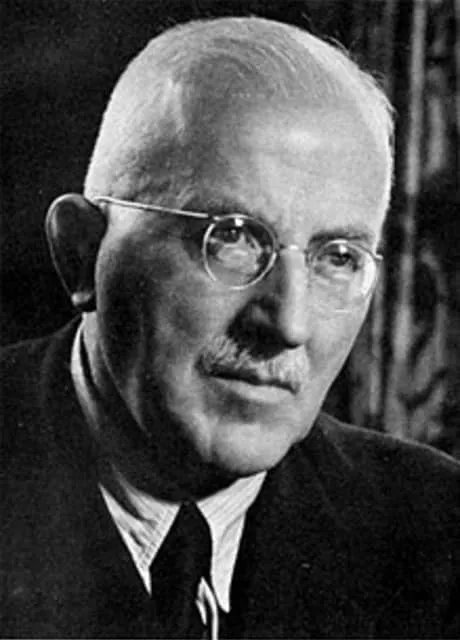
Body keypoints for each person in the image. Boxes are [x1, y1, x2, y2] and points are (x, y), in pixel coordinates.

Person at [1, 16, 459, 639]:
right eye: (233, 239)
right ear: (82, 253)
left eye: (338, 257)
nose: (289, 324)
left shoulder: (436, 531)